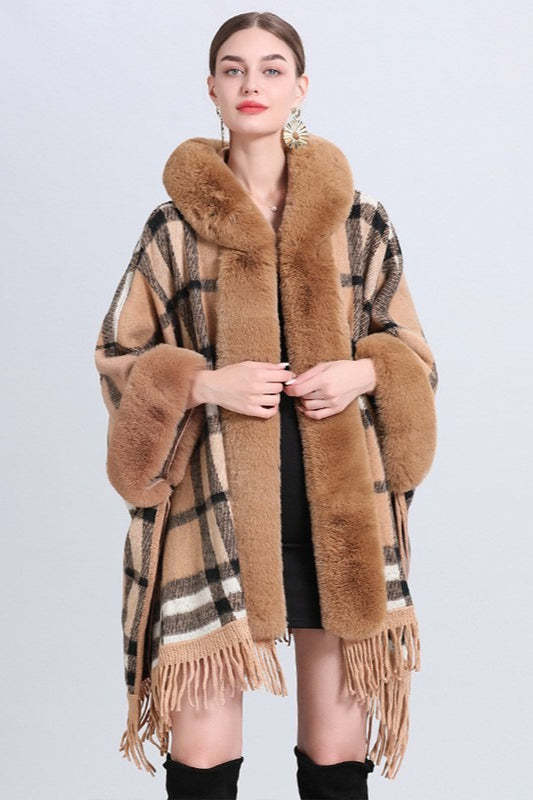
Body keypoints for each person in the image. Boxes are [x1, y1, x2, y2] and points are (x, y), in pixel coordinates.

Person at [94, 11, 438, 800]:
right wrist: (202, 383)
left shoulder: (357, 221)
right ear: (211, 89)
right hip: (212, 509)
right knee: (203, 754)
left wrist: (362, 373)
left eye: (272, 68)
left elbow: (413, 355)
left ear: (300, 87)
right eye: (234, 68)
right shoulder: (173, 229)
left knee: (336, 751)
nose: (252, 83)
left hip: (338, 510)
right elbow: (117, 356)